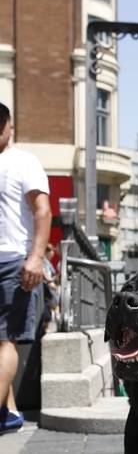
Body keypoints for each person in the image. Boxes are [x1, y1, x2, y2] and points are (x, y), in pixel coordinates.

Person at [0, 102, 52, 434]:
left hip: (10, 259)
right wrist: (34, 257)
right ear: (9, 127)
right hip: (11, 259)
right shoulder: (23, 161)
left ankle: (9, 413)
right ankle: (6, 413)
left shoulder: (21, 162)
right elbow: (42, 211)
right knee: (6, 342)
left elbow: (42, 212)